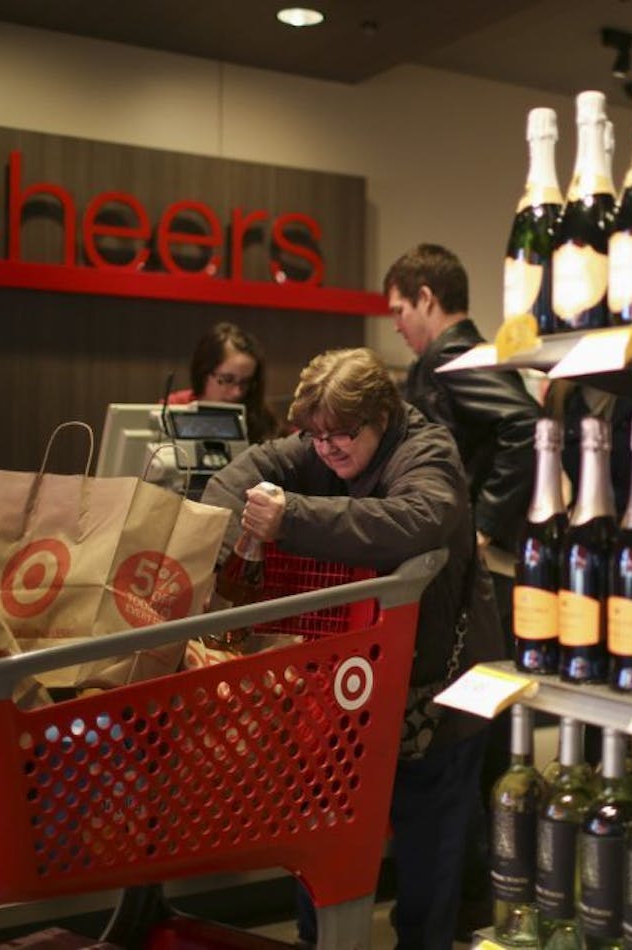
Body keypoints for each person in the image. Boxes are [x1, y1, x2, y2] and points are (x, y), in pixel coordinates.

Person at [201, 347, 503, 949]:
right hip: (355, 687)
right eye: (315, 437)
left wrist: (291, 517)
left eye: (342, 435)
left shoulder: (428, 450)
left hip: (439, 689)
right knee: (326, 841)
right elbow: (232, 480)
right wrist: (229, 530)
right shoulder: (317, 446)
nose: (327, 449)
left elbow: (418, 518)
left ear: (382, 417)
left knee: (430, 859)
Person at [384, 243, 542, 934]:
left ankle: (480, 907)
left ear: (426, 297)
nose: (395, 325)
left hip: (482, 585)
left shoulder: (451, 357)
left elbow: (524, 425)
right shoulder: (465, 356)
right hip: (490, 584)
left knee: (466, 754)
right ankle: (481, 907)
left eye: (398, 309)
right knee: (478, 755)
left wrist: (477, 525)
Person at [168, 321, 279, 442]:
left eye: (245, 382)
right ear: (203, 372)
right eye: (228, 379)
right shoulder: (174, 408)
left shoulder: (261, 417)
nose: (237, 393)